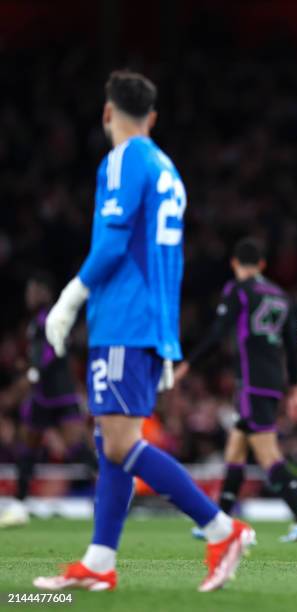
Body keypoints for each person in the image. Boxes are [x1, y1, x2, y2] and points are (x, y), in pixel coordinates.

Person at [33, 70, 255, 593]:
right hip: (153, 318)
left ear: (108, 112)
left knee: (118, 442)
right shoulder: (166, 168)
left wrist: (69, 298)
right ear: (151, 117)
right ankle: (100, 560)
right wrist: (167, 337)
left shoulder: (122, 161)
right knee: (110, 439)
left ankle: (221, 529)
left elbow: (111, 247)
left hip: (122, 318)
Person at [176, 238, 297, 542]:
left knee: (267, 454)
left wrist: (189, 362)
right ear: (262, 265)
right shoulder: (281, 296)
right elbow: (292, 348)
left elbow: (217, 332)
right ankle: (220, 522)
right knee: (235, 449)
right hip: (272, 381)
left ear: (234, 264)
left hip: (251, 382)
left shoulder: (238, 291)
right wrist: (293, 387)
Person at [0, 272, 95, 528]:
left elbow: (50, 353)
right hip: (44, 396)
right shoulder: (36, 322)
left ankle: (114, 493)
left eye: (33, 290)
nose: (29, 296)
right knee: (27, 449)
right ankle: (19, 505)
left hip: (59, 394)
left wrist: (32, 373)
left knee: (77, 449)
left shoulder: (51, 318)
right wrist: (29, 366)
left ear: (44, 292)